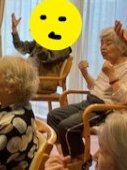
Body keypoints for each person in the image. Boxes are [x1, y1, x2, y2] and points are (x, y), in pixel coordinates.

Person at [47, 26, 127, 159]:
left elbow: (124, 98)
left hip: (104, 108)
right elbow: (97, 88)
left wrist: (112, 76)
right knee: (53, 116)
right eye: (101, 43)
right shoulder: (109, 64)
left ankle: (82, 160)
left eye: (108, 43)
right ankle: (67, 156)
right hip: (89, 102)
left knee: (67, 126)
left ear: (123, 48)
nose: (102, 47)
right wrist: (85, 73)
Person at [11, 12, 71, 94]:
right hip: (27, 76)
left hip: (40, 81)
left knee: (9, 82)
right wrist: (14, 30)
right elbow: (21, 48)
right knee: (7, 75)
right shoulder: (43, 41)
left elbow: (46, 58)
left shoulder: (63, 47)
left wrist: (39, 46)